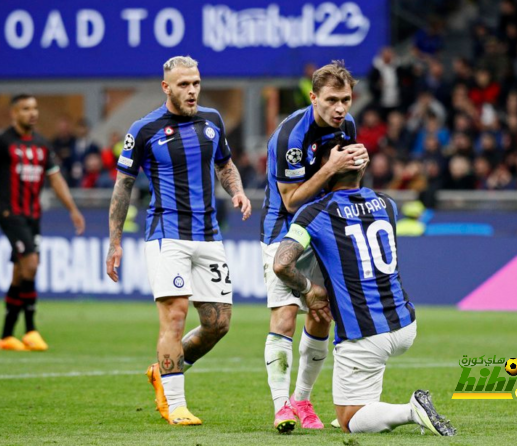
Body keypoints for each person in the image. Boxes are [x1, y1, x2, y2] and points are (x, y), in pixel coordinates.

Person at [272, 137, 456, 436]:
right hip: (404, 323)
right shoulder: (387, 203)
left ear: (327, 170)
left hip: (364, 333)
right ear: (362, 168)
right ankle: (371, 402)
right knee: (365, 391)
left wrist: (310, 289)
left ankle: (412, 410)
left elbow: (281, 264)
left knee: (349, 420)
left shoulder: (315, 213)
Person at [105, 56, 251, 426]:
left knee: (218, 323)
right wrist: (115, 241)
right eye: (184, 85)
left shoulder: (213, 121)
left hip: (209, 234)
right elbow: (123, 185)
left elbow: (225, 164)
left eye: (196, 83)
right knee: (175, 316)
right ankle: (175, 403)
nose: (192, 91)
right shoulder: (143, 129)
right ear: (166, 87)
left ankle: (163, 370)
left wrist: (237, 191)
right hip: (166, 234)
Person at [260, 60, 369, 433]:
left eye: (347, 100)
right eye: (332, 100)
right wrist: (328, 168)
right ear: (313, 98)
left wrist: (360, 165)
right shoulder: (291, 135)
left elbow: (346, 182)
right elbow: (291, 201)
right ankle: (281, 407)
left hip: (322, 230)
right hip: (283, 230)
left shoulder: (348, 127)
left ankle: (303, 400)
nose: (340, 109)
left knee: (321, 314)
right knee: (286, 316)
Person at [0, 94, 85, 351]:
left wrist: (73, 209)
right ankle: (31, 330)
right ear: (14, 113)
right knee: (31, 265)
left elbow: (56, 179)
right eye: (25, 109)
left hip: (33, 215)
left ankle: (7, 335)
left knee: (20, 271)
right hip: (11, 214)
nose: (32, 113)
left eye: (34, 108)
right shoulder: (0, 142)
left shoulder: (42, 144)